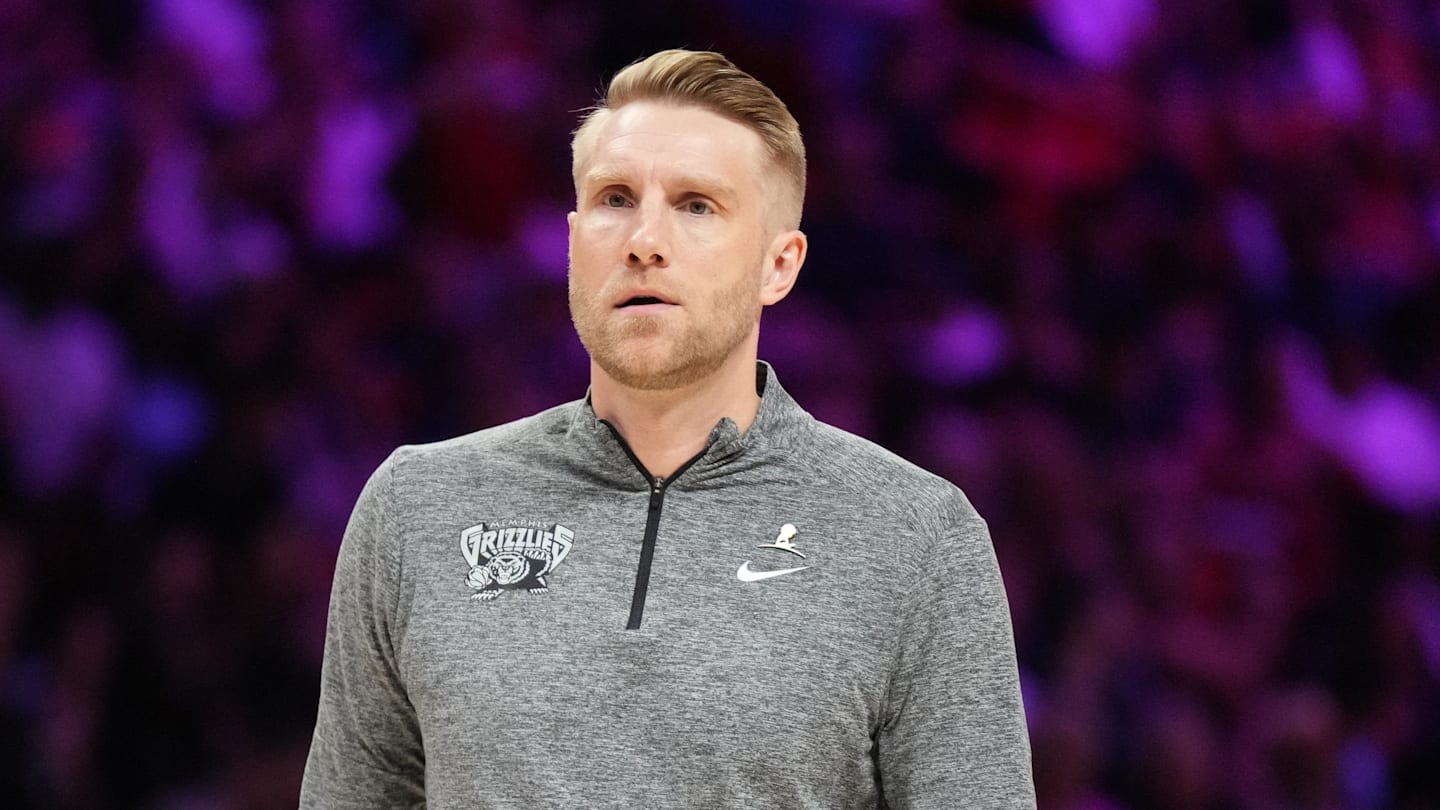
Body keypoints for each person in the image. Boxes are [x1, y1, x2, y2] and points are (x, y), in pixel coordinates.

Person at [300, 48, 1035, 808]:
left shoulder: (914, 536)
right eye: (615, 199)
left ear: (777, 266)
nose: (644, 240)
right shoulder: (415, 507)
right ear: (573, 239)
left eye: (696, 206)